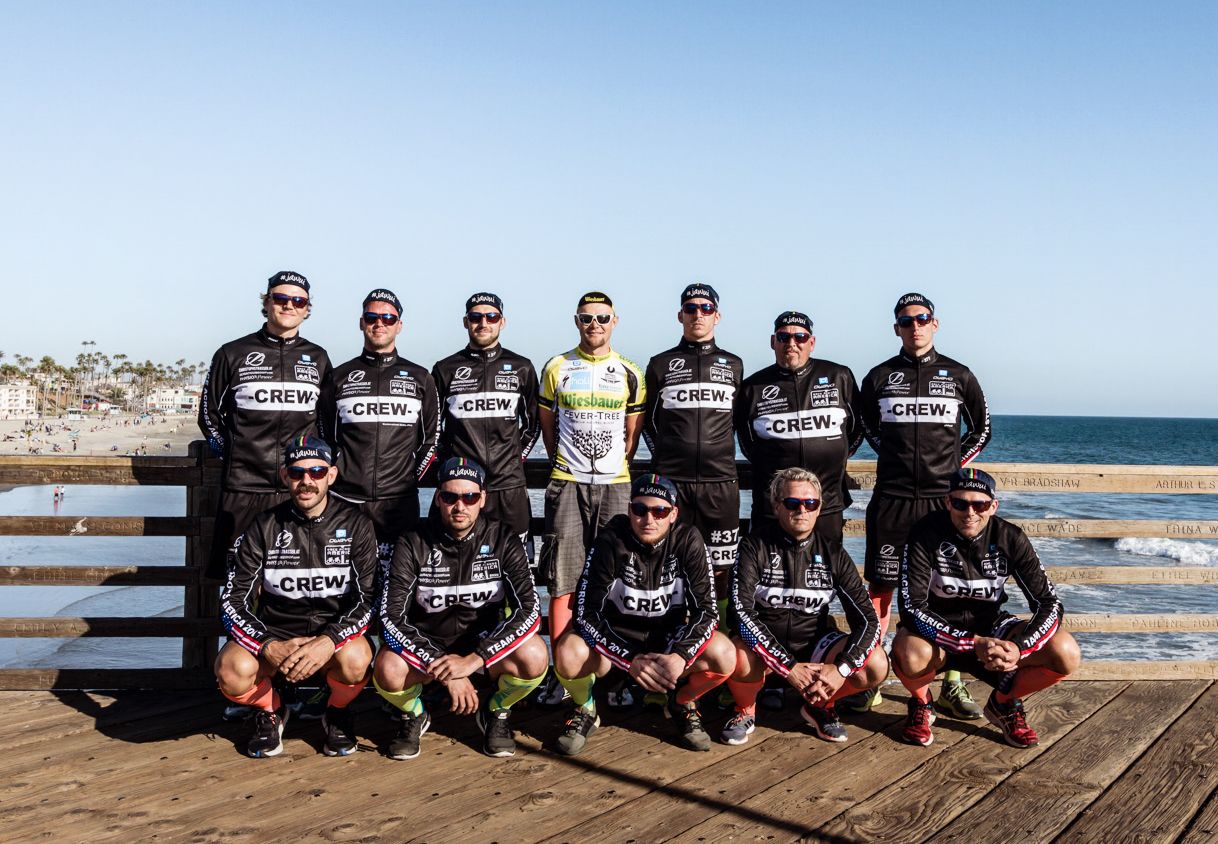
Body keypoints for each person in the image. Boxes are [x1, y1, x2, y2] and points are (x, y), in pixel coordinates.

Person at [852, 293, 992, 715]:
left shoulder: (959, 374)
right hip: (892, 499)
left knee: (948, 590)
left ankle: (952, 682)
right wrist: (892, 456)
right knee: (881, 591)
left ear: (935, 323)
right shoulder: (879, 376)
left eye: (922, 318)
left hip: (941, 502)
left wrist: (951, 468)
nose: (915, 326)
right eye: (906, 320)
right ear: (896, 328)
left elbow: (982, 430)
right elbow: (865, 426)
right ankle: (872, 678)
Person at [374, 457, 547, 759]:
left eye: (469, 497)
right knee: (387, 667)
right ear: (437, 499)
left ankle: (497, 710)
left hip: (482, 649)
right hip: (428, 651)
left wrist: (475, 659)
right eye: (450, 497)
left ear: (483, 498)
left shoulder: (503, 538)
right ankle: (414, 713)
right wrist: (446, 668)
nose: (460, 506)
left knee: (535, 654)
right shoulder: (412, 541)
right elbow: (390, 617)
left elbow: (530, 611)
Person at [892, 468, 1080, 747]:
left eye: (979, 505)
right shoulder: (924, 533)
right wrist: (970, 642)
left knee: (1066, 652)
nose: (970, 512)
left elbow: (1048, 602)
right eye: (960, 503)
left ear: (993, 506)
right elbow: (911, 607)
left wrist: (1019, 647)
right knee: (909, 651)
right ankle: (922, 703)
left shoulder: (1010, 537)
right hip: (938, 633)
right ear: (947, 502)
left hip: (992, 628)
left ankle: (1004, 703)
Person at [215, 436, 377, 758]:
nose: (307, 481)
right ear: (284, 475)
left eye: (317, 472)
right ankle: (271, 710)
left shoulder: (357, 525)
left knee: (358, 658)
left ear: (331, 475)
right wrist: (268, 645)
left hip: (330, 639)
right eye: (296, 472)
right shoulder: (262, 526)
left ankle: (336, 712)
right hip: (276, 636)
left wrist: (329, 640)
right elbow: (232, 601)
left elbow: (369, 600)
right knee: (231, 670)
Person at [551, 474, 734, 755]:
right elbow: (586, 615)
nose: (649, 519)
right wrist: (629, 659)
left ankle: (682, 702)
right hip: (618, 646)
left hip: (668, 645)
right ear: (629, 510)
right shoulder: (610, 540)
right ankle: (585, 708)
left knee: (725, 653)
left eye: (659, 511)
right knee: (568, 652)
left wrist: (681, 656)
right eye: (640, 509)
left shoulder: (688, 540)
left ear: (673, 514)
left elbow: (707, 613)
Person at [535, 292, 646, 702]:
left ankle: (616, 675)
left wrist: (615, 467)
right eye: (586, 318)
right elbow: (548, 428)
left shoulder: (631, 371)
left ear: (615, 320)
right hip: (568, 480)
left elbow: (632, 436)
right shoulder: (557, 367)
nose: (594, 324)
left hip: (616, 483)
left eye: (602, 317)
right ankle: (562, 672)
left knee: (618, 579)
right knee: (563, 579)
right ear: (576, 321)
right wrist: (567, 464)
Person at [723, 467, 886, 745]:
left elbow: (868, 621)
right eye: (792, 503)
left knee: (876, 664)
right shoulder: (753, 546)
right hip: (763, 655)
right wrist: (788, 667)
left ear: (819, 508)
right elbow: (740, 613)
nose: (802, 510)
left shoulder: (833, 552)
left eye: (810, 503)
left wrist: (841, 669)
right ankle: (745, 709)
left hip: (814, 649)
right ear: (776, 506)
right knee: (735, 652)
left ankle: (820, 704)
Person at [200, 270, 331, 580]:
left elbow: (326, 423)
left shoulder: (318, 357)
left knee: (294, 581)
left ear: (307, 309)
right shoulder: (232, 353)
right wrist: (233, 454)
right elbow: (208, 416)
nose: (289, 305)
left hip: (297, 488)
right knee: (238, 581)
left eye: (298, 301)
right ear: (267, 302)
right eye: (281, 298)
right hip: (243, 488)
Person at [318, 288, 440, 568]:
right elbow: (326, 438)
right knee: (343, 580)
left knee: (397, 581)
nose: (379, 323)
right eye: (372, 317)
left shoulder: (421, 378)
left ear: (399, 325)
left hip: (398, 504)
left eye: (388, 318)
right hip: (345, 500)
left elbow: (430, 440)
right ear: (362, 322)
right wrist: (340, 473)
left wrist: (409, 478)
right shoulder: (339, 377)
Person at [643, 283, 743, 614]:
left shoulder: (734, 365)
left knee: (721, 570)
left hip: (720, 484)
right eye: (690, 308)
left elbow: (738, 422)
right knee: (667, 565)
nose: (698, 314)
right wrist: (666, 460)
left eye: (706, 308)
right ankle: (673, 635)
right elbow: (649, 423)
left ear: (717, 316)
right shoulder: (660, 364)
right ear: (680, 315)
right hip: (672, 483)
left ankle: (720, 637)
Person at [735, 311, 863, 546]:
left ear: (811, 343)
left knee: (826, 566)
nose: (791, 343)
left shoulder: (839, 376)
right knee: (765, 566)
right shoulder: (752, 387)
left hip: (825, 503)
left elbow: (857, 427)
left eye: (800, 337)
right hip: (773, 505)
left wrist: (839, 454)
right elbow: (745, 440)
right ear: (773, 341)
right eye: (784, 337)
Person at [431, 292, 540, 550]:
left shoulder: (522, 367)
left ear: (502, 321)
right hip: (462, 487)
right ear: (465, 322)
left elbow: (534, 424)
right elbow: (431, 429)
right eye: (476, 317)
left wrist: (514, 457)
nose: (483, 323)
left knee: (517, 561)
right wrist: (450, 462)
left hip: (509, 486)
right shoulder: (445, 369)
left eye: (491, 317)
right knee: (456, 561)